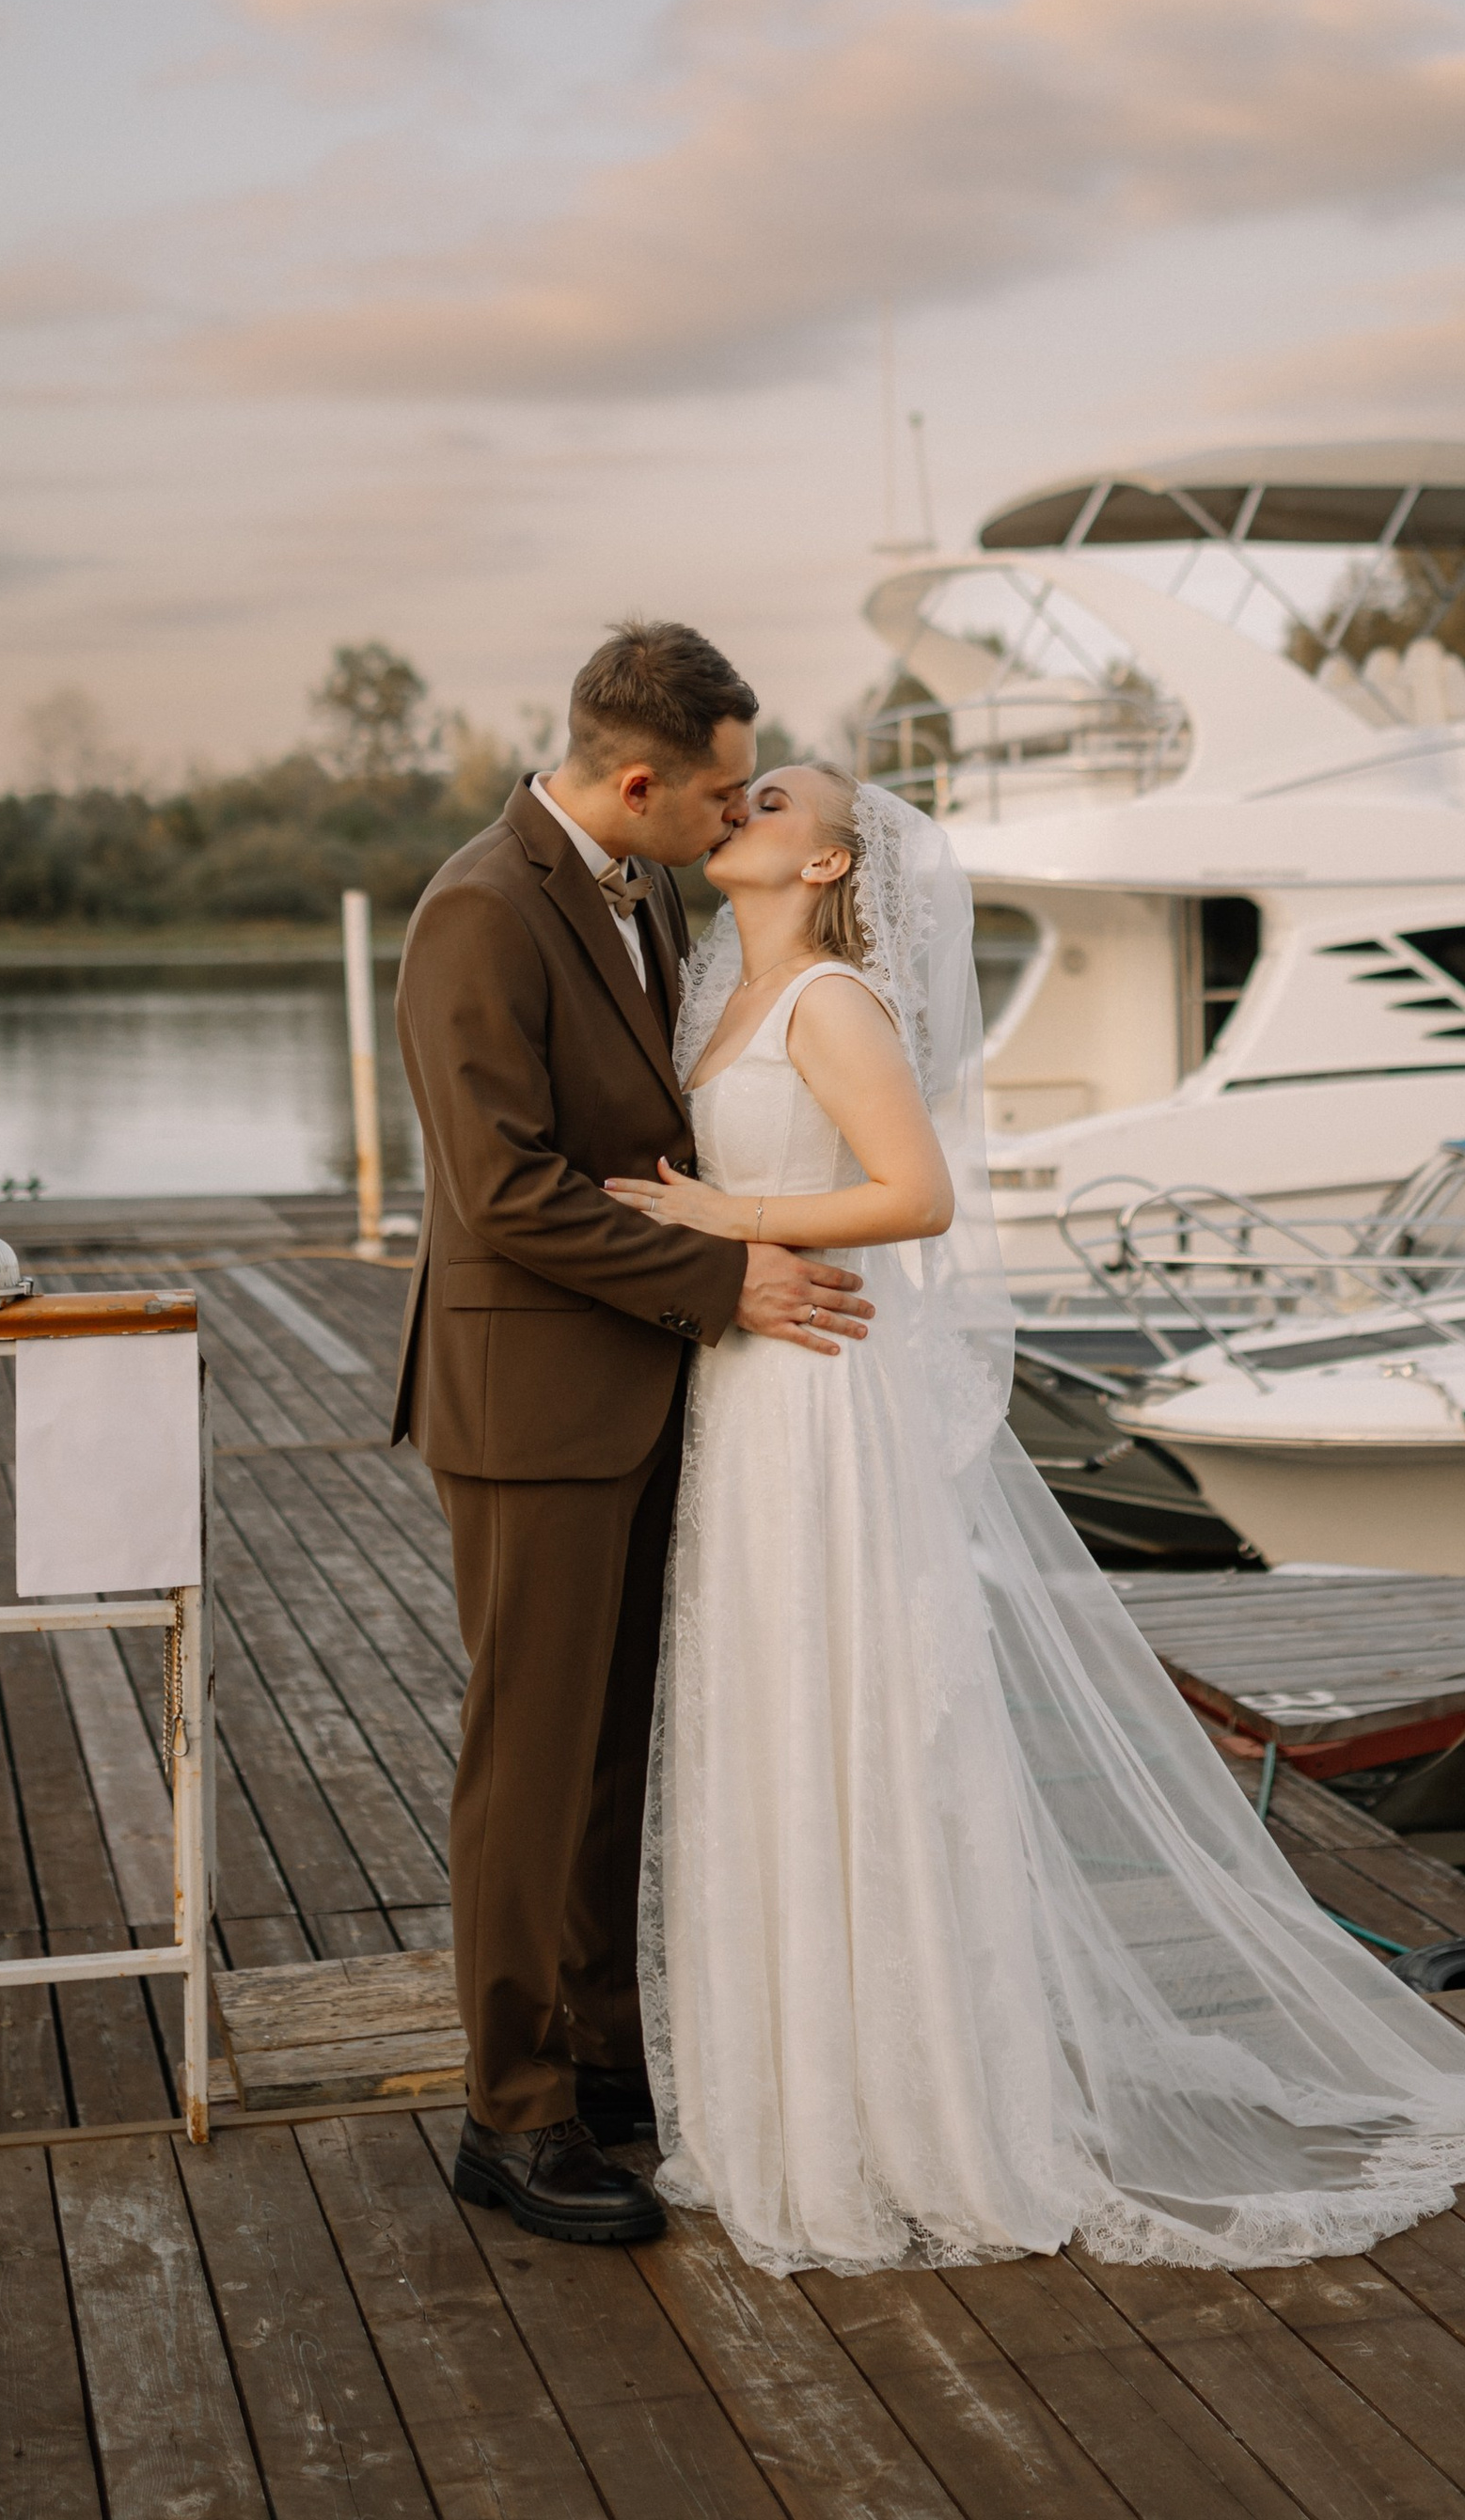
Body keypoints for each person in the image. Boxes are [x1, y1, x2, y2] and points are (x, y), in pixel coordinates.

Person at [606, 764, 1465, 2278]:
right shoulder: (723, 992)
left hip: (820, 1396)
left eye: (772, 798)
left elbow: (916, 1193)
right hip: (747, 1389)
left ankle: (907, 2112)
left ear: (829, 862)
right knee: (772, 1716)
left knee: (846, 1718)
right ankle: (797, 2103)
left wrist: (732, 1219)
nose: (739, 805)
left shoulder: (834, 1002)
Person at [390, 625, 869, 2246]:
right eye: (725, 791)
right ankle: (508, 2115)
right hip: (532, 1402)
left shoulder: (646, 891)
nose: (740, 812)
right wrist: (730, 1279)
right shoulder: (479, 907)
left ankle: (599, 2065)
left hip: (642, 1382)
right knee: (529, 1765)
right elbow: (503, 1191)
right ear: (643, 779)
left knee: (609, 1761)